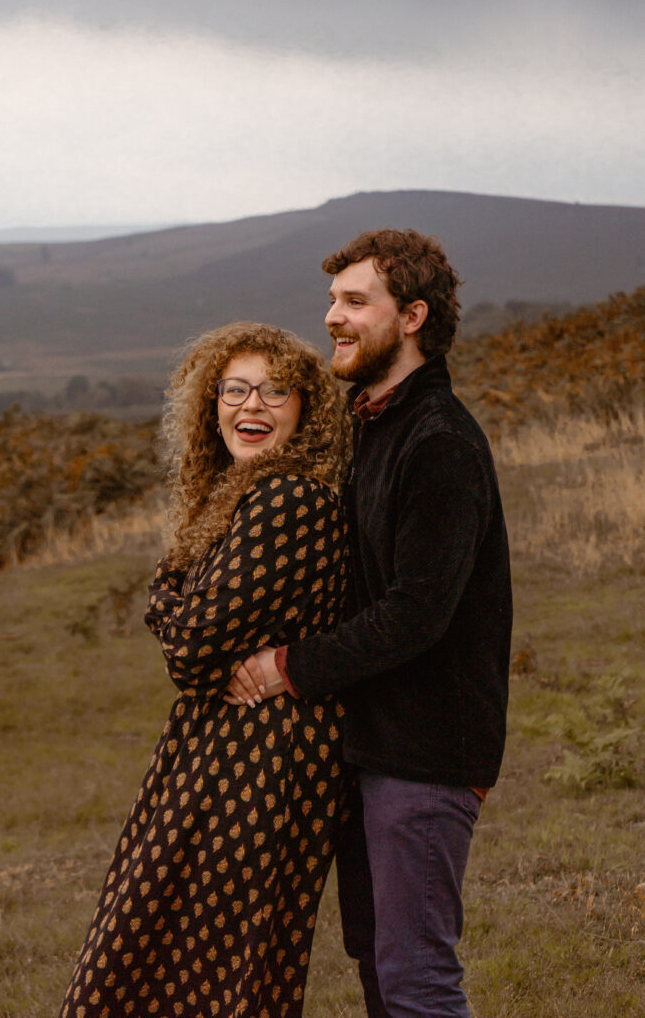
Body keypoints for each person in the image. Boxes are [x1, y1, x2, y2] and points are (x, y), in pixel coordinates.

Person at [228, 230, 513, 1018]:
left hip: (425, 753)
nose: (333, 318)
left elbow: (417, 612)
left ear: (412, 316)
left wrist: (286, 667)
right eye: (332, 301)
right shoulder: (370, 424)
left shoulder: (440, 440)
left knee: (415, 977)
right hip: (367, 744)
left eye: (355, 302)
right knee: (378, 968)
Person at [59, 321, 351, 1018]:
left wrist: (179, 614)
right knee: (159, 943)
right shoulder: (236, 492)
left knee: (205, 960)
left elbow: (189, 646)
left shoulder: (288, 499)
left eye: (276, 392)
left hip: (263, 758)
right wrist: (177, 605)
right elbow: (175, 606)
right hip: (220, 744)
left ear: (306, 411)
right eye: (236, 389)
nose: (252, 406)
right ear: (210, 403)